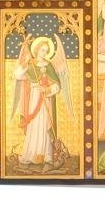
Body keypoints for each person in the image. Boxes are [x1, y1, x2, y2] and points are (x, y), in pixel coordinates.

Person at [14, 34, 65, 167]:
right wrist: (25, 63)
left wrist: (47, 90)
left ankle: (47, 155)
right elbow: (18, 75)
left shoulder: (49, 65)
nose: (45, 53)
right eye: (43, 50)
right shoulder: (30, 64)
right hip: (33, 98)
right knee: (34, 124)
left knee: (44, 123)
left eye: (47, 51)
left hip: (45, 99)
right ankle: (30, 154)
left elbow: (58, 85)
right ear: (36, 50)